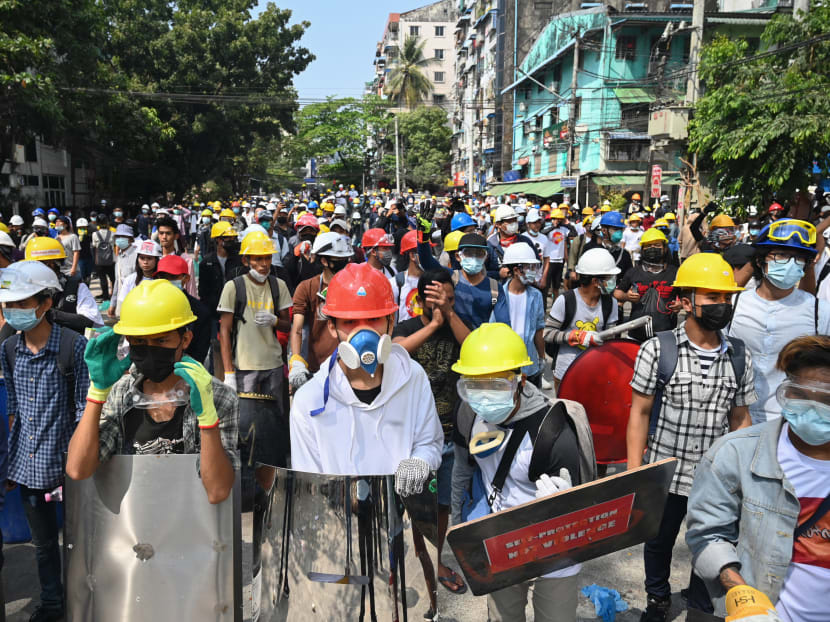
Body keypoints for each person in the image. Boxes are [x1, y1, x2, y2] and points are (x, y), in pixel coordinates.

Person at [627, 252, 756, 622]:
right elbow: (639, 412)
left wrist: (742, 477)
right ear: (685, 302)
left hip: (715, 480)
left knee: (712, 545)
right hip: (666, 472)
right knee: (658, 542)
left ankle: (701, 604)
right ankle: (658, 599)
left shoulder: (739, 356)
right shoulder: (658, 350)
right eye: (712, 298)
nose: (721, 306)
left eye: (726, 298)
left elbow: (741, 419)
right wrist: (635, 472)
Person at [452, 323, 592, 622]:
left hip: (555, 549)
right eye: (474, 385)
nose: (484, 396)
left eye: (496, 385)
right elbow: (462, 472)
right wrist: (458, 529)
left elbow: (580, 506)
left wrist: (563, 503)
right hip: (502, 541)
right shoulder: (467, 413)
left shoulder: (552, 430)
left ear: (520, 380)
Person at [686, 335, 830, 621]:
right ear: (786, 392)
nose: (812, 408)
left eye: (826, 399)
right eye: (801, 394)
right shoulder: (736, 454)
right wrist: (746, 601)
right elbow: (706, 535)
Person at [65, 280, 238, 504]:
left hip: (195, 526)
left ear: (185, 339)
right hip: (134, 522)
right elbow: (78, 469)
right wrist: (97, 393)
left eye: (161, 340)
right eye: (139, 341)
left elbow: (217, 491)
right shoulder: (121, 394)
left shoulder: (217, 397)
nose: (149, 349)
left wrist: (207, 419)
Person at [289, 261, 443, 481]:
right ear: (332, 327)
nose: (363, 332)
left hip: (400, 510)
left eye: (373, 319)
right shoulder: (310, 402)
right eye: (350, 322)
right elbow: (310, 482)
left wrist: (421, 461)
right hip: (339, 513)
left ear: (391, 322)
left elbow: (429, 442)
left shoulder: (412, 377)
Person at [0, 261, 89, 622]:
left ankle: (84, 601)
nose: (13, 311)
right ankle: (53, 604)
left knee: (80, 541)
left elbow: (84, 409)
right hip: (26, 466)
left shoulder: (74, 347)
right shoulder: (8, 350)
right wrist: (9, 464)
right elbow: (15, 410)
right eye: (9, 304)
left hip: (68, 468)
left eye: (22, 303)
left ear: (46, 303)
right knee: (43, 546)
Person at [392, 269, 471, 606]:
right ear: (422, 299)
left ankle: (435, 562)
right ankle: (408, 563)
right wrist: (432, 325)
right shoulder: (409, 327)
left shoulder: (457, 325)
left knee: (441, 509)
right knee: (406, 507)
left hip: (451, 436)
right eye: (439, 299)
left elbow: (473, 347)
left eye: (451, 299)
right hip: (411, 440)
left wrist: (449, 315)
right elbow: (395, 353)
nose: (445, 305)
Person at [728, 219, 830, 424]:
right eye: (781, 255)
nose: (790, 263)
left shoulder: (820, 312)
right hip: (733, 418)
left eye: (798, 258)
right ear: (760, 260)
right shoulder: (734, 304)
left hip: (790, 423)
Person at [218, 231, 292, 396]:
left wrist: (275, 321)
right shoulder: (233, 287)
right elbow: (224, 332)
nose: (264, 264)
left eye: (267, 258)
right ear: (246, 260)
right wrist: (229, 373)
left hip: (274, 364)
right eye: (258, 259)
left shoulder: (279, 286)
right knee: (247, 418)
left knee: (274, 418)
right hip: (245, 366)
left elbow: (288, 326)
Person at [544, 248, 619, 390]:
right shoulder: (565, 301)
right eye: (609, 278)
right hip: (566, 372)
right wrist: (577, 336)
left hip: (596, 371)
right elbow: (548, 333)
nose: (613, 282)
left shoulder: (611, 303)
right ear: (596, 281)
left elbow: (612, 337)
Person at [288, 232, 354, 391]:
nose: (344, 264)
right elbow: (297, 329)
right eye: (338, 260)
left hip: (350, 367)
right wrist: (296, 360)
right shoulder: (307, 288)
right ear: (324, 260)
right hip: (317, 368)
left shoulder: (354, 287)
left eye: (346, 260)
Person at [417, 232, 508, 330]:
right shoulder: (450, 277)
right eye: (468, 253)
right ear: (458, 256)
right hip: (451, 343)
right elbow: (426, 261)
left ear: (486, 257)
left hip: (477, 343)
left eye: (479, 254)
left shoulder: (494, 287)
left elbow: (504, 325)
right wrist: (424, 234)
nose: (473, 258)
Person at [493, 243, 546, 387]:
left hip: (529, 364)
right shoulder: (497, 295)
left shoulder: (536, 296)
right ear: (516, 270)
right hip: (505, 364)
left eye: (535, 267)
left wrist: (542, 357)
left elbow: (539, 329)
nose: (533, 271)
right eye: (529, 267)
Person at [24, 237, 103, 332]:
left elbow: (89, 320)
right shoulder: (25, 289)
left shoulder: (76, 287)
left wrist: (51, 314)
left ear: (53, 265)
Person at [614, 227, 680, 342]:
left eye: (657, 245)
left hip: (667, 336)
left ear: (665, 248)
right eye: (648, 246)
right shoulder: (633, 272)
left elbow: (686, 297)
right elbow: (617, 293)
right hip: (636, 336)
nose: (652, 248)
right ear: (642, 249)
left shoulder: (675, 272)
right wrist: (626, 297)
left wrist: (681, 304)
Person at [154, 254, 212, 364]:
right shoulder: (149, 305)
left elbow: (198, 353)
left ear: (186, 278)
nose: (167, 281)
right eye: (163, 277)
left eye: (173, 277)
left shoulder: (200, 312)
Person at [112, 239, 162, 318]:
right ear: (137, 259)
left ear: (156, 260)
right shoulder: (130, 280)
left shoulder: (162, 281)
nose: (145, 262)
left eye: (149, 258)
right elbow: (121, 306)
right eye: (142, 258)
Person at [155, 216, 197, 299]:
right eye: (161, 233)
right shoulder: (154, 259)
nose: (164, 237)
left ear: (176, 236)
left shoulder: (186, 260)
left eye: (168, 233)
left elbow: (191, 289)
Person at [389, 230, 423, 322]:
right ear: (412, 255)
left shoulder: (434, 281)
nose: (429, 256)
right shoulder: (394, 284)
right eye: (424, 252)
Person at [107, 224, 138, 318]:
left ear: (131, 239)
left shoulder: (137, 255)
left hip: (135, 302)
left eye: (123, 236)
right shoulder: (119, 256)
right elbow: (117, 281)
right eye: (118, 236)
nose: (120, 239)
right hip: (122, 300)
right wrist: (113, 303)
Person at [546, 208, 574, 298]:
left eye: (559, 219)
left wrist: (566, 223)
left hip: (560, 261)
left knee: (556, 285)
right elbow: (542, 233)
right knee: (546, 284)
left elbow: (573, 234)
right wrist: (553, 226)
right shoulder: (548, 229)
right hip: (550, 261)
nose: (558, 221)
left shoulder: (564, 230)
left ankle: (555, 304)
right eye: (556, 219)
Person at [91, 214, 116, 300]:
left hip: (100, 261)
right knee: (113, 279)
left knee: (103, 280)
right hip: (111, 261)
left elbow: (94, 245)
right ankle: (114, 295)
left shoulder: (94, 234)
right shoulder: (112, 234)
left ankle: (105, 297)